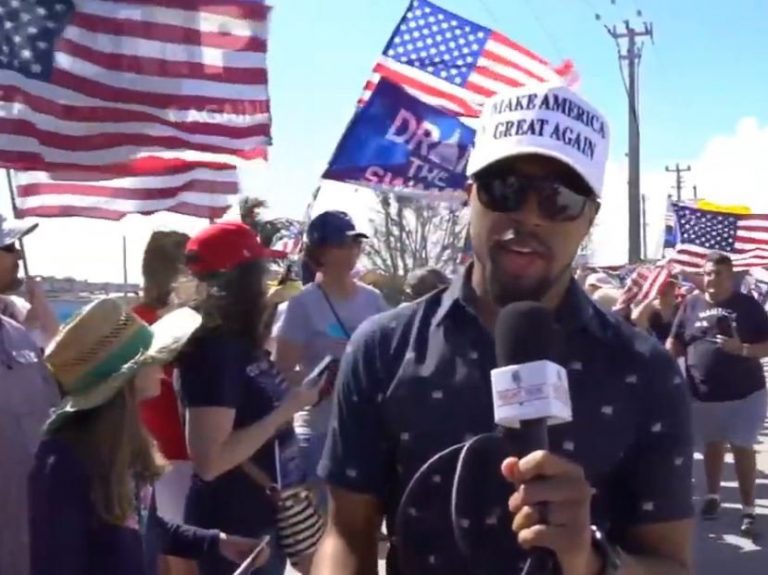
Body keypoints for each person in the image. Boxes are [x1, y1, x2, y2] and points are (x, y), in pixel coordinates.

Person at [313, 85, 693, 575]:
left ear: (589, 220)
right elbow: (347, 532)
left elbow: (672, 563)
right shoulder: (383, 348)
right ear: (470, 194)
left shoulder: (647, 372)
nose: (529, 216)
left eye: (559, 199)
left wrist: (591, 561)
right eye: (505, 188)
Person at [28, 298, 268, 575]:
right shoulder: (62, 462)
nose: (162, 370)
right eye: (151, 360)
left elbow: (147, 528)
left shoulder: (125, 444)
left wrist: (216, 542)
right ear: (124, 381)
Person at [177, 222, 322, 575]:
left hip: (260, 518)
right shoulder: (212, 348)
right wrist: (286, 410)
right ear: (242, 279)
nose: (267, 279)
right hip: (234, 528)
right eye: (262, 269)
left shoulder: (239, 342)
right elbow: (210, 461)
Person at [273, 211, 389, 512]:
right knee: (326, 523)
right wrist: (321, 380)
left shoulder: (374, 300)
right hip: (321, 433)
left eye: (356, 243)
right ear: (320, 253)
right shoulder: (301, 304)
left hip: (369, 430)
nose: (353, 250)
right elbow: (280, 371)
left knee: (368, 520)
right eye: (344, 243)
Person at [666, 252, 768, 537]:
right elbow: (676, 340)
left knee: (742, 447)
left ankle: (749, 509)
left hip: (745, 394)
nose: (711, 279)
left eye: (718, 274)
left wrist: (743, 349)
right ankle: (712, 496)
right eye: (708, 273)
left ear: (730, 277)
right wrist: (665, 359)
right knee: (712, 444)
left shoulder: (747, 306)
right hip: (702, 394)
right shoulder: (691, 303)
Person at [133, 231, 197, 575]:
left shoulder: (134, 319)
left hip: (162, 450)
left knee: (171, 554)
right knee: (183, 556)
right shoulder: (156, 323)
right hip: (172, 453)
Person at [0, 214, 59, 347]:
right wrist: (29, 331)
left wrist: (40, 309)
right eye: (10, 247)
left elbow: (56, 347)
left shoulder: (13, 308)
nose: (20, 255)